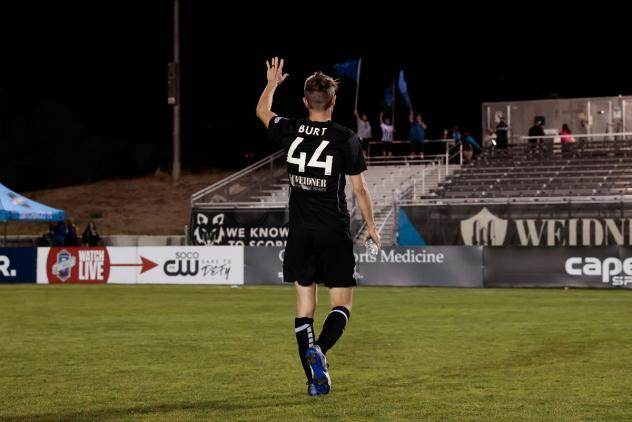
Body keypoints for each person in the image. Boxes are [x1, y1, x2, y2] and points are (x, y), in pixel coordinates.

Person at [256, 57, 380, 397]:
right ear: (334, 102)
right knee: (342, 305)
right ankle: (321, 352)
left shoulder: (292, 128)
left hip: (300, 232)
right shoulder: (345, 138)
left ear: (305, 101)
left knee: (304, 310)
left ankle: (314, 381)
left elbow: (262, 113)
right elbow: (360, 189)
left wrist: (272, 83)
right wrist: (371, 226)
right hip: (333, 232)